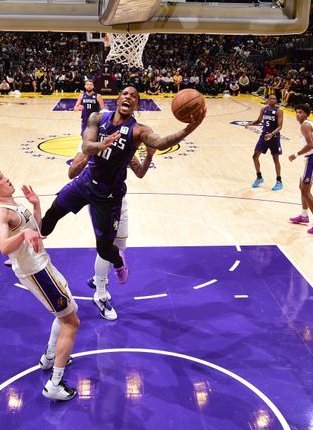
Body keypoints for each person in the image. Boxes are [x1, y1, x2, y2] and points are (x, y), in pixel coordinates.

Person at [40, 86, 205, 285]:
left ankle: (119, 262)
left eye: (134, 96)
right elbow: (85, 146)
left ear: (136, 104)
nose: (129, 97)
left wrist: (188, 129)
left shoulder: (139, 131)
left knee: (104, 249)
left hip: (109, 195)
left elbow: (160, 143)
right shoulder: (97, 118)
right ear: (118, 99)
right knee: (52, 213)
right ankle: (32, 250)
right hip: (85, 182)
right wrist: (102, 144)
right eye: (125, 94)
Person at [0, 168, 80, 401]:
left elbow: (35, 229)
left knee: (67, 310)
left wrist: (35, 206)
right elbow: (4, 247)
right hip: (36, 271)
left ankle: (49, 356)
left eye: (5, 175)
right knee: (71, 322)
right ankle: (54, 384)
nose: (7, 179)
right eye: (1, 180)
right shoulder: (0, 213)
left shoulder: (16, 205)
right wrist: (23, 234)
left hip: (43, 264)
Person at [68, 124, 157, 320]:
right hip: (99, 200)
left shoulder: (124, 146)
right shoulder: (89, 143)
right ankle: (100, 294)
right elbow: (72, 173)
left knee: (120, 246)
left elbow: (140, 173)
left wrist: (149, 155)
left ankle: (98, 278)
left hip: (119, 200)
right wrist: (92, 153)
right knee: (106, 247)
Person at [288, 104, 313, 234]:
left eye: (300, 112)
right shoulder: (308, 124)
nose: (298, 114)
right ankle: (304, 215)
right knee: (301, 186)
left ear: (306, 114)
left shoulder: (305, 125)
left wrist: (295, 155)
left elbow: (310, 145)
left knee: (305, 190)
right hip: (311, 158)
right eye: (296, 112)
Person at [244, 94, 284, 190]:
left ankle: (279, 181)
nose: (271, 100)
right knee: (255, 156)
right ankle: (259, 177)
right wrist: (250, 123)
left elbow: (280, 126)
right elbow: (258, 120)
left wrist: (272, 134)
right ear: (267, 100)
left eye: (273, 98)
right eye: (270, 98)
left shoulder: (279, 111)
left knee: (275, 159)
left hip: (274, 137)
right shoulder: (263, 109)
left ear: (276, 100)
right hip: (264, 135)